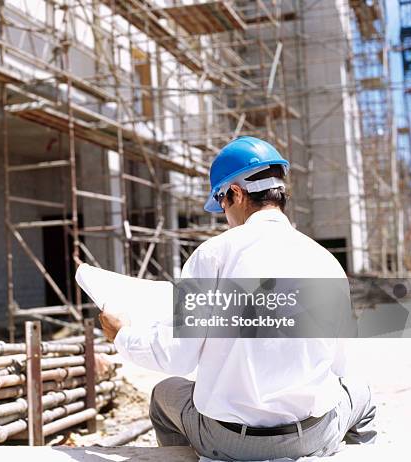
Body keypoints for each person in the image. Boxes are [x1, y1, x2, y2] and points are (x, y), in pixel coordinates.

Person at [99, 136, 376, 460]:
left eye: (222, 201)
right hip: (311, 436)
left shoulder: (212, 257)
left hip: (229, 441)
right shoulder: (325, 261)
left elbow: (177, 357)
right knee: (362, 396)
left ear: (237, 193)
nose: (225, 215)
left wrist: (122, 335)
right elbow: (340, 364)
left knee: (164, 396)